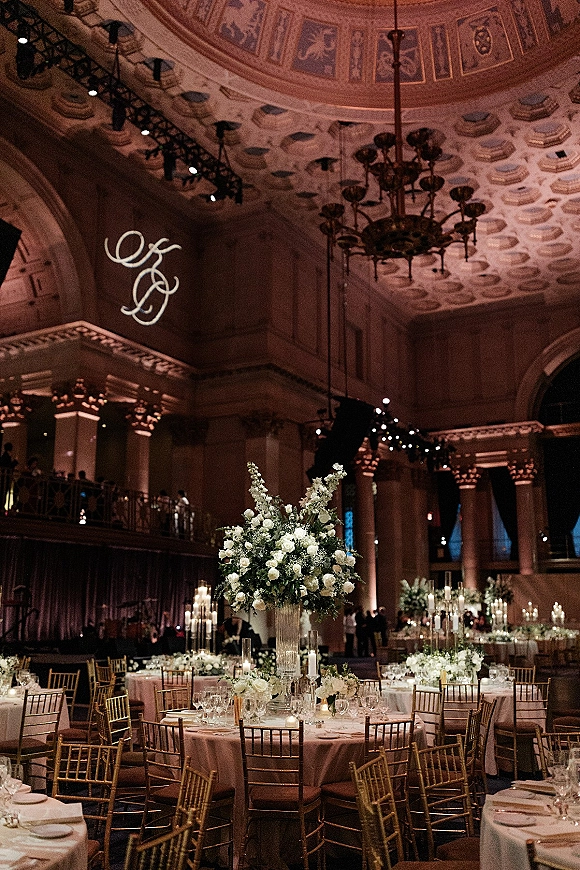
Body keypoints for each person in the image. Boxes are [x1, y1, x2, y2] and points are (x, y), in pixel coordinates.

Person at [0, 442, 17, 513]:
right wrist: (15, 461)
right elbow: (9, 466)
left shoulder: (4, 456)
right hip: (6, 477)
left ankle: (2, 506)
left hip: (5, 477)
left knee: (4, 491)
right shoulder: (6, 456)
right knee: (4, 491)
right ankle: (1, 506)